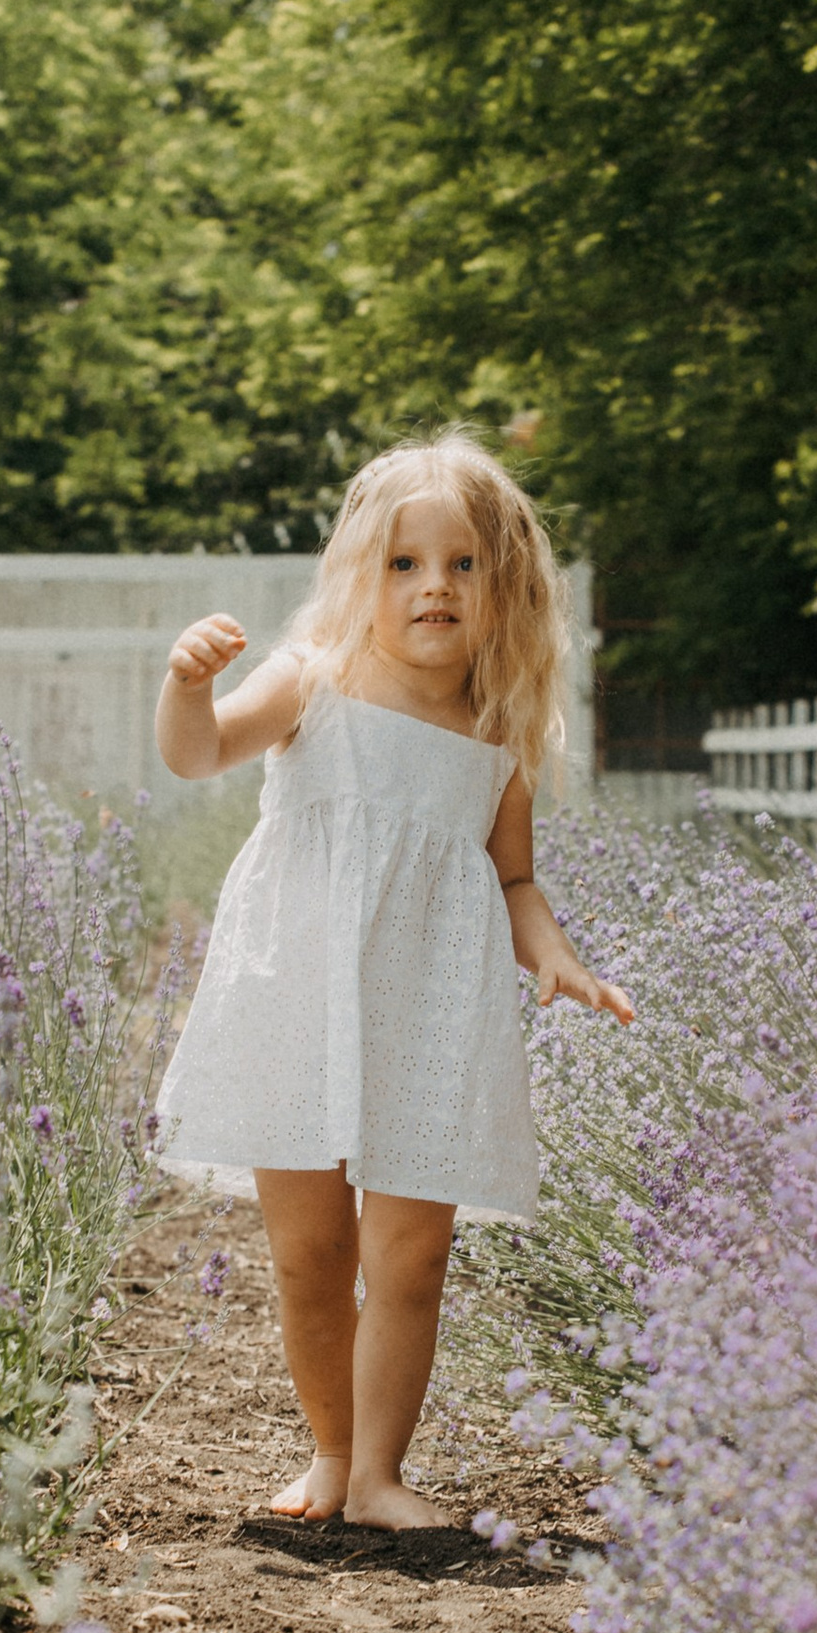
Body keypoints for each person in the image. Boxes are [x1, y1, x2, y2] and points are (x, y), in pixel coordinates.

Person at [153, 431, 634, 1530]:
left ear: (504, 588)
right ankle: (329, 1457)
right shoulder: (312, 682)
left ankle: (377, 1475)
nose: (436, 588)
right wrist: (187, 685)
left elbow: (512, 879)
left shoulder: (496, 730)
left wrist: (553, 953)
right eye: (407, 565)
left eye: (464, 566)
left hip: (428, 1013)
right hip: (296, 1001)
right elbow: (198, 754)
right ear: (360, 578)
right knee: (309, 1255)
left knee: (410, 1257)